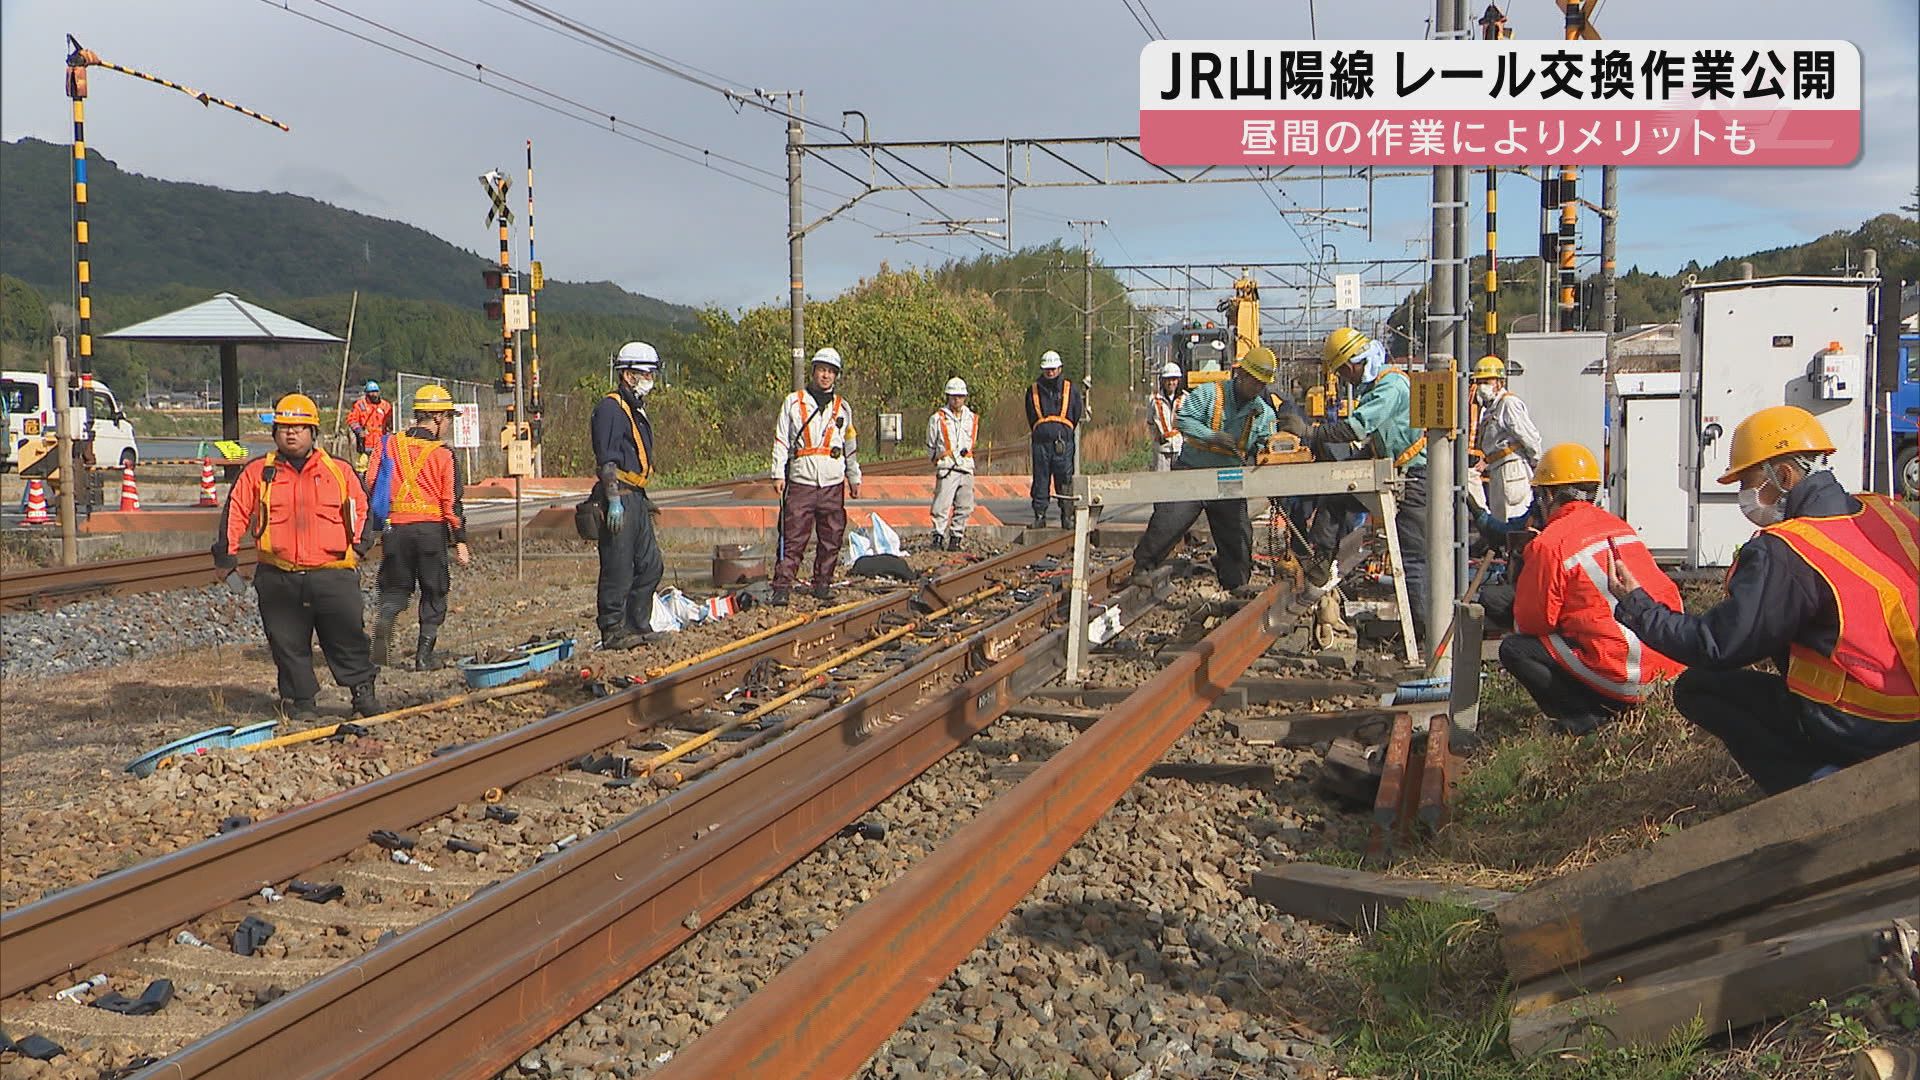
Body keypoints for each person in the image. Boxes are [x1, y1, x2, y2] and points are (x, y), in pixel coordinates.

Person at [1608, 406, 1919, 793]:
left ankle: (1816, 787)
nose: (1745, 497)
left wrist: (1639, 607)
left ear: (1784, 475)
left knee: (1699, 688)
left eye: (1749, 482)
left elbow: (1719, 644)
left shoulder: (1790, 549)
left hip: (1867, 721)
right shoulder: (1887, 513)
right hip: (1913, 707)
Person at [213, 393, 379, 720]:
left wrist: (359, 547)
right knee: (287, 642)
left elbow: (362, 509)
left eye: (300, 427)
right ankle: (302, 701)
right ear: (275, 431)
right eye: (285, 427)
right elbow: (235, 513)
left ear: (313, 432)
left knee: (347, 636)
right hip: (278, 575)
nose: (291, 433)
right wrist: (226, 558)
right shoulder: (257, 472)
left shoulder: (340, 470)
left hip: (333, 573)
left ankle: (362, 692)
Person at [1497, 444, 1684, 735]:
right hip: (1669, 665)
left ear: (1547, 495)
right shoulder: (1620, 527)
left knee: (1515, 649)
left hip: (1627, 672)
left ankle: (1584, 717)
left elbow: (1532, 623)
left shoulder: (1550, 543)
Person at [1309, 327, 1430, 639]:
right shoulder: (1380, 386)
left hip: (1417, 480)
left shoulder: (1390, 387)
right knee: (1337, 498)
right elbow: (1379, 439)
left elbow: (1358, 427)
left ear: (1352, 364)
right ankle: (1320, 561)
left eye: (1342, 372)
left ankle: (1426, 639)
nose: (1344, 379)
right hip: (1400, 472)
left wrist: (1314, 435)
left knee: (1413, 559)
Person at [1131, 346, 1278, 594]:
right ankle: (1143, 567)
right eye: (1253, 382)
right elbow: (1184, 419)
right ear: (1240, 374)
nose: (1256, 388)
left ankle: (1236, 584)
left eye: (1261, 384)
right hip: (1193, 471)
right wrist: (1212, 436)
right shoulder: (1210, 393)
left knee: (1238, 535)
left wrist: (1269, 451)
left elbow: (1268, 443)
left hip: (1229, 478)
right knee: (1169, 522)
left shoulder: (1262, 413)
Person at [366, 384, 471, 671]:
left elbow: (372, 482)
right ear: (437, 417)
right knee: (434, 590)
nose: (448, 424)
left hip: (395, 531)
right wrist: (459, 539)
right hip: (429, 533)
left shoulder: (388, 443)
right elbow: (451, 502)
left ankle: (380, 652)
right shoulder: (443, 454)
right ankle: (423, 656)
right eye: (448, 418)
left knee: (394, 590)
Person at [772, 347, 862, 605]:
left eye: (831, 372)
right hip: (802, 480)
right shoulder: (793, 402)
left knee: (832, 536)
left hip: (833, 481)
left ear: (836, 376)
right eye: (822, 370)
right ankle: (782, 586)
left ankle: (822, 583)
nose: (826, 376)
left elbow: (850, 447)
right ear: (813, 371)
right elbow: (781, 440)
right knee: (793, 536)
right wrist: (778, 473)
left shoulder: (843, 407)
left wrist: (854, 477)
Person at [591, 342, 666, 650]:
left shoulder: (635, 409)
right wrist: (613, 500)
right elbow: (607, 459)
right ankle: (612, 629)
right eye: (645, 374)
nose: (650, 380)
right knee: (618, 567)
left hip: (635, 495)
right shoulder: (611, 408)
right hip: (618, 495)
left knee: (651, 565)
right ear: (628, 375)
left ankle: (638, 623)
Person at [1468, 355, 1543, 528]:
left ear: (1500, 382)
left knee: (1512, 523)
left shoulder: (1508, 403)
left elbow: (1530, 437)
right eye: (1479, 382)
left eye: (1487, 381)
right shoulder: (1490, 408)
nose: (1482, 386)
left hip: (1512, 470)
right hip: (1498, 469)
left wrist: (1535, 463)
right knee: (1500, 522)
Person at [1023, 350, 1084, 528]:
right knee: (1041, 479)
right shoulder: (1033, 390)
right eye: (1047, 369)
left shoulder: (1070, 389)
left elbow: (1076, 413)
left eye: (1053, 369)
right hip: (1041, 443)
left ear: (1059, 368)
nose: (1050, 372)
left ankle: (1067, 516)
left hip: (1063, 442)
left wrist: (1062, 430)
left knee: (1064, 479)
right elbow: (1030, 415)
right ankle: (1040, 515)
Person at [927, 377, 977, 551]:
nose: (957, 399)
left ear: (965, 397)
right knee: (942, 504)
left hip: (966, 467)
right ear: (948, 396)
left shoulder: (971, 418)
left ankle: (956, 538)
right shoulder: (937, 418)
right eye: (953, 396)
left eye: (960, 396)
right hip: (947, 467)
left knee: (965, 505)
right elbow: (931, 444)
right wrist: (937, 459)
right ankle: (938, 536)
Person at [345, 380, 394, 472]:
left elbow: (390, 421)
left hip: (381, 442)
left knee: (380, 469)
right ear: (367, 393)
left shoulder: (385, 405)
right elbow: (352, 420)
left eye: (375, 392)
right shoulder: (360, 405)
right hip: (365, 443)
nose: (374, 394)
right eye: (371, 392)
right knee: (362, 468)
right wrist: (359, 431)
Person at [1148, 362, 1186, 472]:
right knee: (1162, 481)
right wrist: (1156, 436)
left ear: (1178, 380)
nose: (1171, 383)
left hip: (1180, 447)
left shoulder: (1185, 399)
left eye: (1174, 379)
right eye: (1168, 379)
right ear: (1163, 381)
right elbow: (1150, 421)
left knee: (1180, 481)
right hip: (1161, 448)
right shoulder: (1154, 400)